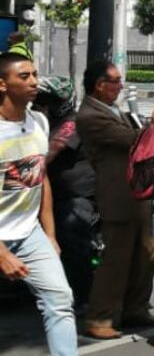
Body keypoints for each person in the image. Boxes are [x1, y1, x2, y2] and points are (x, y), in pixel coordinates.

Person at [0, 53, 115, 356]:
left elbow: (41, 179)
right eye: (25, 75)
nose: (35, 80)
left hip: (29, 234)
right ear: (2, 84)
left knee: (59, 298)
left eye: (35, 73)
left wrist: (49, 234)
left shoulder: (38, 121)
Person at [77, 61, 154, 340]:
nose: (120, 86)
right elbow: (134, 140)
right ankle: (100, 317)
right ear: (100, 84)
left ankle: (134, 309)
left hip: (136, 192)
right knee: (115, 259)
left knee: (145, 254)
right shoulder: (91, 114)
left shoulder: (113, 110)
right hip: (116, 195)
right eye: (115, 81)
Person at [36, 76, 99, 315]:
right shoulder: (37, 121)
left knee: (70, 234)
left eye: (44, 101)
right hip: (44, 191)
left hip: (76, 195)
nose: (38, 105)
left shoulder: (71, 123)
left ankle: (84, 296)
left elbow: (48, 153)